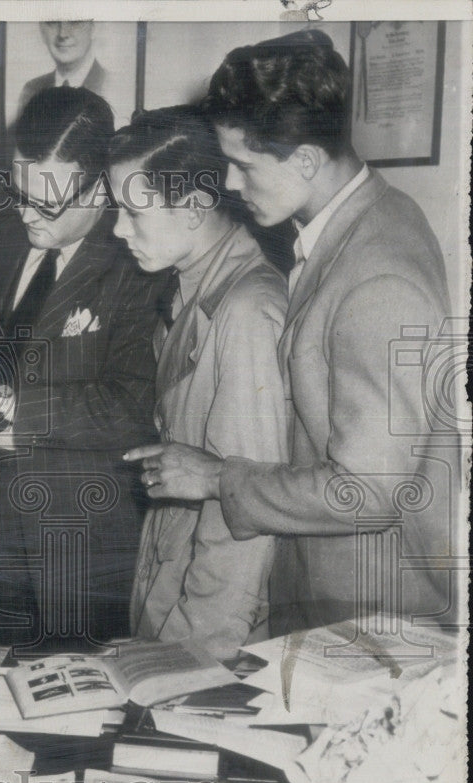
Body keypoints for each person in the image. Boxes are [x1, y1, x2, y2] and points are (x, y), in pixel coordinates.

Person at [126, 30, 457, 634]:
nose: (227, 183)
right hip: (339, 601)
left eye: (244, 164)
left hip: (369, 612)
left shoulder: (377, 277)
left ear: (305, 159)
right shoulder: (374, 217)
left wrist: (219, 476)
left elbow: (369, 492)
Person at [0, 86, 168, 648]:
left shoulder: (139, 259)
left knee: (75, 716)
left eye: (48, 205)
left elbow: (134, 404)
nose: (25, 214)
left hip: (79, 538)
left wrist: (12, 405)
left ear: (98, 188)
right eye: (17, 193)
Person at [108, 107, 288, 660]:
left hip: (207, 625)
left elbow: (245, 517)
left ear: (193, 208)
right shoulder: (191, 288)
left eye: (134, 213)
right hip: (169, 588)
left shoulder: (245, 311)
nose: (118, 229)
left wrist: (190, 655)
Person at [18, 21, 107, 115]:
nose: (62, 34)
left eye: (74, 22)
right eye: (53, 22)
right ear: (42, 31)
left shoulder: (113, 87)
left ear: (93, 28)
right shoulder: (31, 90)